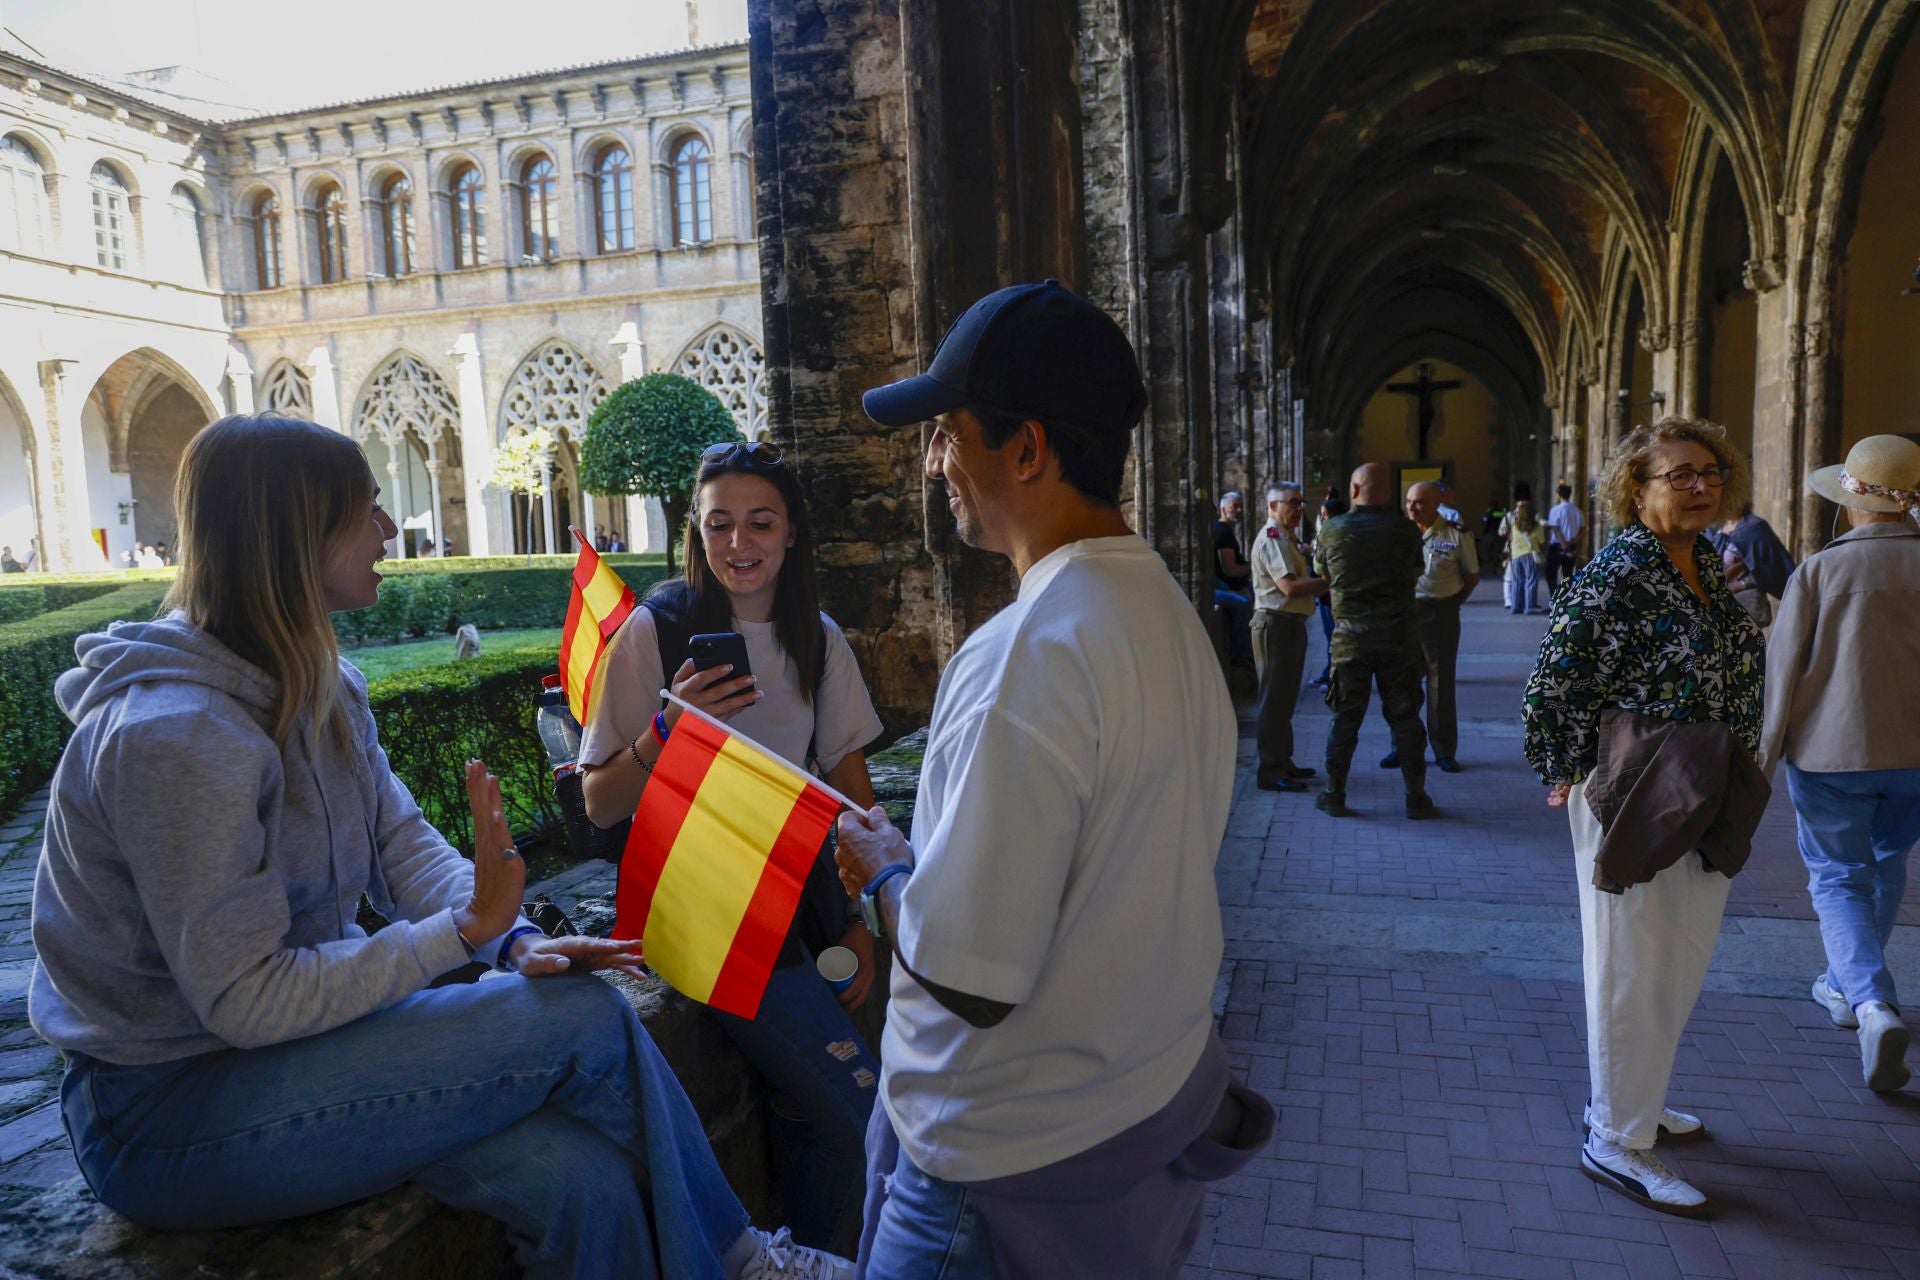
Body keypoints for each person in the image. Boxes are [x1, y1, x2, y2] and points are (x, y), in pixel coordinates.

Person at [28, 413, 848, 1280]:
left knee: (589, 1185)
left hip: (301, 1052)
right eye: (367, 511)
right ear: (293, 536)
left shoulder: (323, 685)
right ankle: (742, 1258)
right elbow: (246, 999)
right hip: (169, 1112)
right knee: (585, 1017)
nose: (389, 532)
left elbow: (404, 846)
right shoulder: (178, 739)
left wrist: (514, 939)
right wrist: (457, 937)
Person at [839, 281, 1274, 1279]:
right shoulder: (1158, 605)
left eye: (949, 434)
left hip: (999, 1157)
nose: (936, 464)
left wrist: (884, 867)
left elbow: (967, 974)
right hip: (1130, 1101)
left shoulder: (1023, 657)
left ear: (1027, 449)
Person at [580, 439, 885, 1255]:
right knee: (860, 1108)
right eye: (719, 525)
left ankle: (815, 1255)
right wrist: (666, 730)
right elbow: (600, 799)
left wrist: (861, 918)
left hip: (801, 909)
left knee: (808, 1110)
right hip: (705, 914)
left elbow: (851, 798)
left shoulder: (817, 640)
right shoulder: (657, 629)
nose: (739, 545)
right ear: (695, 530)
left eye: (760, 524)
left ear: (792, 535)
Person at [1522, 417, 1766, 1218]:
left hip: (1704, 779)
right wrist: (1560, 767)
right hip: (1637, 787)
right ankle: (1617, 1138)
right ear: (1637, 488)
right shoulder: (1618, 573)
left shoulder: (1702, 561)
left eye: (1710, 473)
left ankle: (1638, 1095)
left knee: (1679, 954)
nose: (1701, 487)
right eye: (1680, 475)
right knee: (1631, 960)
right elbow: (1555, 676)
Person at [1758, 434, 1920, 1093]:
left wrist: (1760, 761)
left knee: (1836, 878)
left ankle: (1870, 1001)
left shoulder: (1821, 571)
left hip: (1831, 754)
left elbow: (1782, 669)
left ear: (1854, 504)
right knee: (1886, 865)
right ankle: (1845, 982)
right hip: (1914, 758)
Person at [1313, 463, 1433, 819]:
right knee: (1406, 719)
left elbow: (1323, 574)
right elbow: (1416, 572)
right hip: (1399, 640)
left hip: (1349, 642)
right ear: (1387, 492)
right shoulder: (1406, 531)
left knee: (1344, 720)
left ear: (1352, 490)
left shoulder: (1332, 531)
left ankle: (1334, 794)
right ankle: (1415, 797)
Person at [1389, 480, 1477, 774]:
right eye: (1409, 501)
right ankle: (1402, 746)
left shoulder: (1456, 534)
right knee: (1403, 683)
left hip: (1441, 613)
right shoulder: (1398, 534)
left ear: (1436, 503)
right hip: (1405, 614)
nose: (1412, 507)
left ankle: (1443, 750)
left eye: (1419, 502)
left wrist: (1452, 603)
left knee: (1441, 685)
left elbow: (1471, 577)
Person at [1248, 483, 1326, 792]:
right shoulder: (1273, 539)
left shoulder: (1287, 537)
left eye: (1300, 502)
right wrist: (1328, 582)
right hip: (1275, 624)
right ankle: (1270, 769)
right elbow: (1290, 588)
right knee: (1273, 699)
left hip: (1289, 623)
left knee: (1286, 697)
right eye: (1291, 503)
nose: (1298, 508)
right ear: (1272, 506)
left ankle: (1283, 760)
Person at [1708, 502, 1794, 605]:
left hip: (1744, 603)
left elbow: (1769, 568)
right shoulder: (1716, 527)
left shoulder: (1754, 527)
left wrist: (1740, 585)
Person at [1307, 495, 1346, 689]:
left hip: (1331, 591)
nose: (1323, 519)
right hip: (1324, 592)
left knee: (1335, 637)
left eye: (1326, 515)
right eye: (1321, 515)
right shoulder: (1328, 533)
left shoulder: (1336, 534)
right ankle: (1328, 673)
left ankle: (1335, 679)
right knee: (1328, 635)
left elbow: (1323, 566)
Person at [1214, 491, 1254, 666]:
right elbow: (1229, 569)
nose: (1239, 510)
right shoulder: (1223, 533)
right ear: (1223, 509)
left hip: (1231, 585)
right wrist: (1254, 568)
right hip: (1230, 587)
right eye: (1234, 507)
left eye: (1241, 506)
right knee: (1244, 604)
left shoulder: (1225, 531)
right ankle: (1241, 657)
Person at [1505, 501, 1545, 614]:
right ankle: (1529, 606)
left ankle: (1516, 606)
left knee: (1517, 581)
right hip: (1530, 555)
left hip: (1516, 556)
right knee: (1531, 581)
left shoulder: (1514, 526)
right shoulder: (1537, 526)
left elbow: (1511, 539)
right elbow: (1541, 541)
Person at [1545, 482, 1584, 592]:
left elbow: (1555, 529)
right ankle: (1566, 600)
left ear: (1558, 494)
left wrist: (1563, 545)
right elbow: (1583, 531)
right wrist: (1570, 543)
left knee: (1551, 573)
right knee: (1568, 575)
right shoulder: (1578, 511)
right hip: (1572, 545)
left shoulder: (1556, 510)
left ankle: (1554, 600)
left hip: (1557, 546)